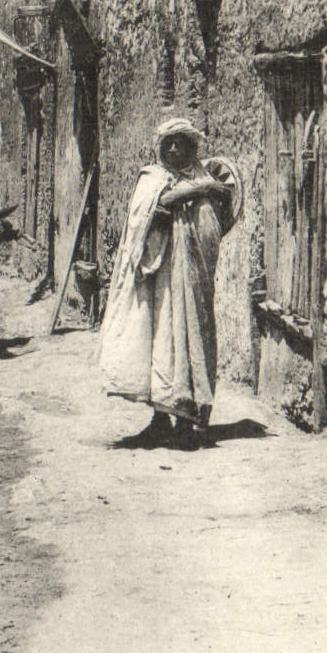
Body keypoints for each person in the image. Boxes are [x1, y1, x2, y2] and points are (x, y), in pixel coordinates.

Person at [99, 116, 240, 448]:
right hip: (160, 278)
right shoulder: (153, 179)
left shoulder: (205, 181)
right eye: (170, 143)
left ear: (193, 148)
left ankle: (187, 420)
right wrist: (199, 190)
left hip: (192, 282)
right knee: (161, 341)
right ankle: (161, 418)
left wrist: (205, 191)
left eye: (182, 143)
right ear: (160, 148)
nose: (176, 149)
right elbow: (154, 206)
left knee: (191, 340)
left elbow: (219, 216)